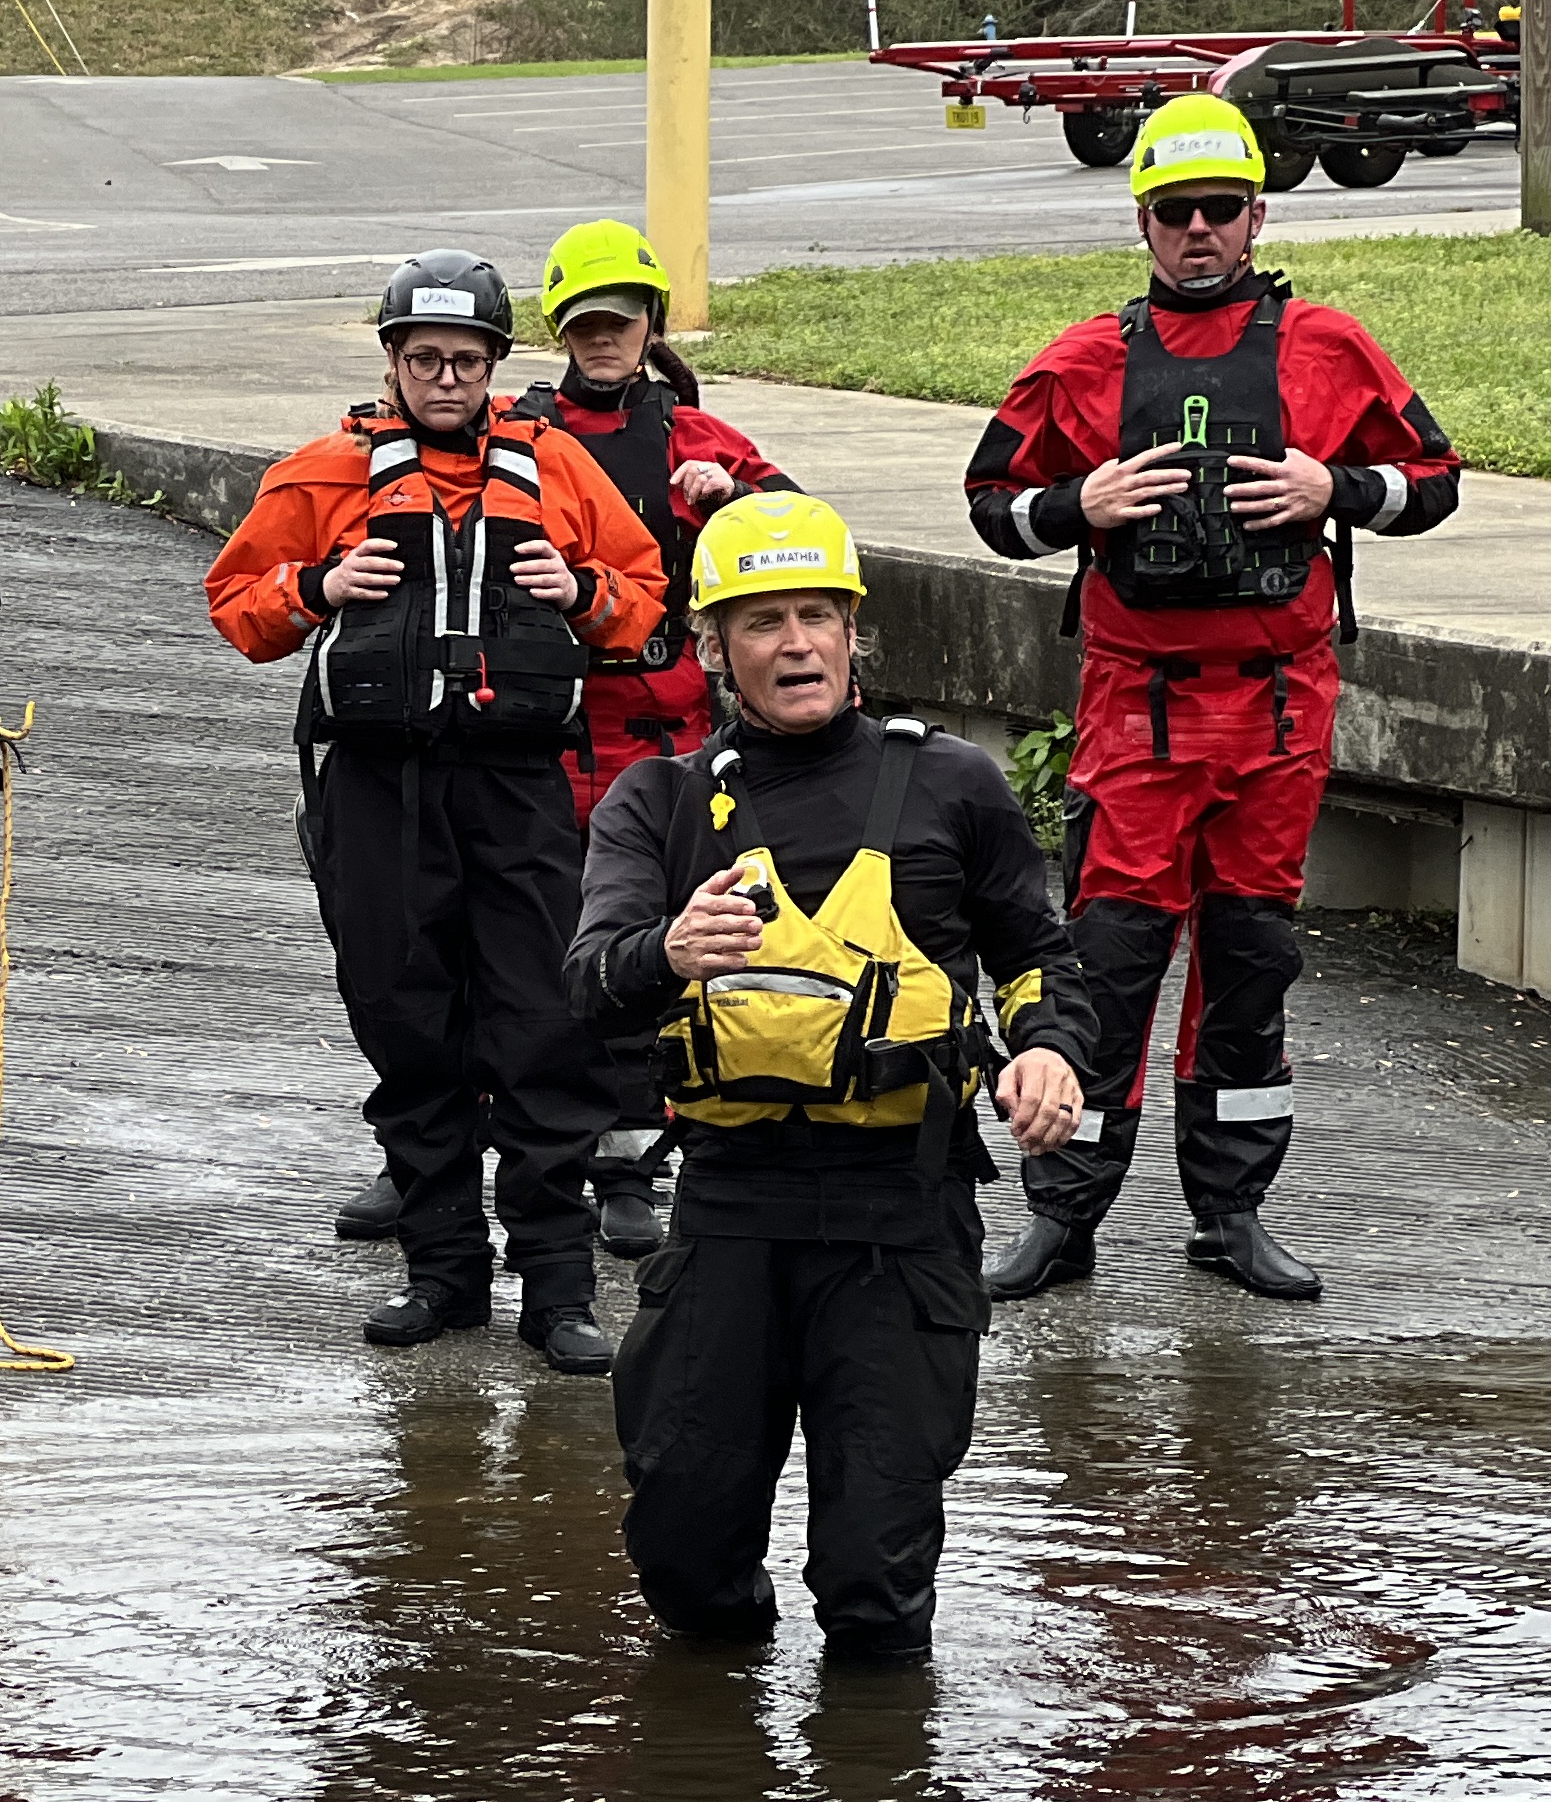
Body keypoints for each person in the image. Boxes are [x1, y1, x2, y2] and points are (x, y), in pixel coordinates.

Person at [569, 495, 1094, 1662]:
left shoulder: (956, 785)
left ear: (855, 634)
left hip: (897, 1218)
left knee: (873, 1581)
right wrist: (667, 952)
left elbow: (1037, 960)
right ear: (714, 648)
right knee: (686, 1560)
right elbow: (587, 983)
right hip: (730, 1211)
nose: (795, 644)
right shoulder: (654, 803)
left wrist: (1050, 1050)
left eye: (817, 616)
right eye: (762, 623)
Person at [961, 94, 1459, 1301]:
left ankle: (1231, 1213)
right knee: (1109, 966)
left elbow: (1434, 481)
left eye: (1219, 211)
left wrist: (1330, 486)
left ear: (1256, 217)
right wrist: (1078, 507)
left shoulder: (1328, 348)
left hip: (1281, 711)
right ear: (1143, 221)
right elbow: (991, 502)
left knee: (1250, 964)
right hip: (1138, 711)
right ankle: (1062, 1219)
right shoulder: (1082, 361)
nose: (1198, 232)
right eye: (1175, 212)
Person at [206, 249, 664, 1371]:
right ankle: (443, 1272)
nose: (447, 380)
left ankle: (557, 1286)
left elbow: (646, 595)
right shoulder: (327, 474)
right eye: (426, 360)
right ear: (392, 363)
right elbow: (237, 606)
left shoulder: (556, 469)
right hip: (378, 787)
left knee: (544, 1025)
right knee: (411, 1027)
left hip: (518, 789)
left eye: (466, 361)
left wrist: (584, 591)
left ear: (499, 366)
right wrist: (316, 588)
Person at [524, 218, 793, 1262]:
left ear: (648, 325)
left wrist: (732, 504)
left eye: (620, 321)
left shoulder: (698, 437)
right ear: (563, 330)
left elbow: (796, 535)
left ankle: (636, 1159)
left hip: (665, 728)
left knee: (657, 941)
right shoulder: (523, 435)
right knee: (533, 944)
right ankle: (515, 1138)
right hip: (548, 730)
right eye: (586, 324)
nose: (604, 338)